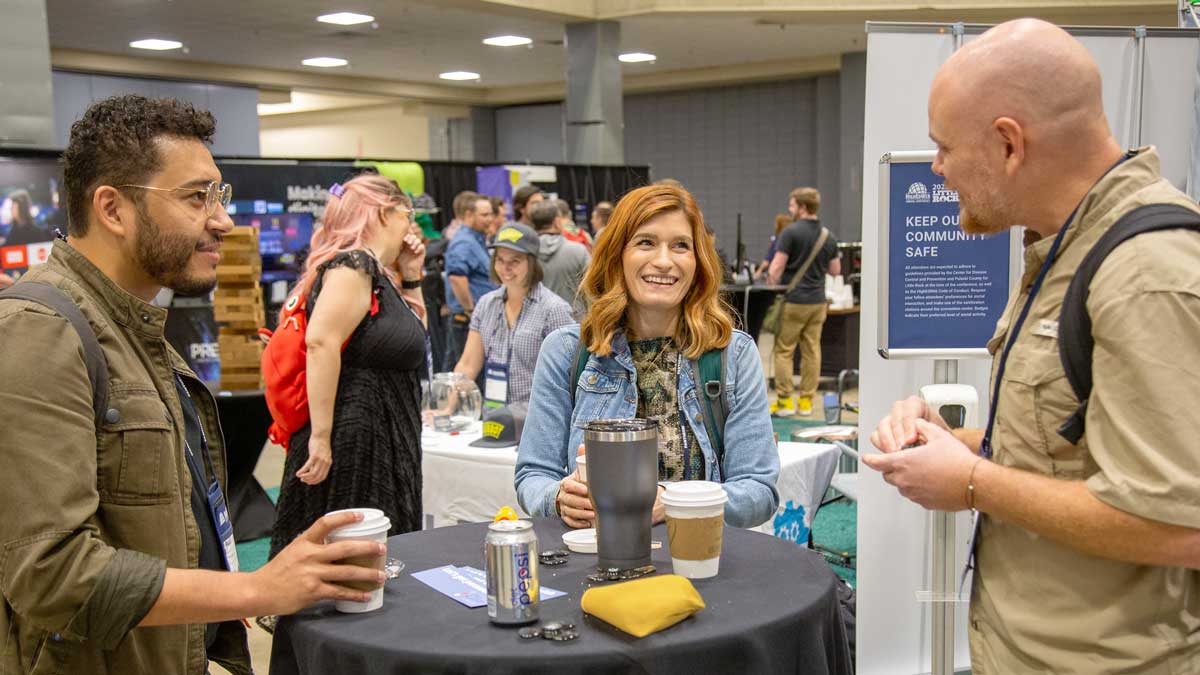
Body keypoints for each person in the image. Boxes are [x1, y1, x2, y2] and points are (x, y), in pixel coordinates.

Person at [0, 94, 386, 675]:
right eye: (195, 197)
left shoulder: (132, 325)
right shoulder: (39, 331)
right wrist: (256, 589)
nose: (223, 220)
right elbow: (52, 573)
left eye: (218, 195)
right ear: (112, 209)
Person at [865, 19, 1200, 673]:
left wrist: (971, 482)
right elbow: (1076, 448)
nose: (937, 170)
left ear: (1009, 144)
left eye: (944, 148)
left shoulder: (1145, 273)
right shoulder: (1065, 248)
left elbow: (1180, 525)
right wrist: (955, 442)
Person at [515, 184, 779, 529]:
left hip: (696, 555)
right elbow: (533, 475)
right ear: (617, 255)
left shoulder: (732, 355)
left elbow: (758, 492)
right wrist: (558, 497)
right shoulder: (566, 352)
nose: (664, 261)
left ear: (698, 262)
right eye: (646, 242)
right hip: (594, 555)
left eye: (681, 245)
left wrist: (672, 502)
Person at [270, 174, 428, 558]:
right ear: (384, 213)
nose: (410, 226)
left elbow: (414, 339)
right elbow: (321, 342)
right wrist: (321, 437)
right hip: (356, 436)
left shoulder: (375, 273)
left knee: (373, 553)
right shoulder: (354, 265)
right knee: (352, 551)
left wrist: (411, 276)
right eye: (407, 215)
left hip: (380, 431)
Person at [454, 222, 574, 408]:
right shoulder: (486, 305)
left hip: (535, 418)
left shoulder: (554, 309)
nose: (505, 268)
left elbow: (568, 376)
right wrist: (448, 408)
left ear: (532, 263)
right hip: (494, 415)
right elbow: (468, 365)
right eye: (500, 260)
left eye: (515, 261)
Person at [767, 187, 841, 417]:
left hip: (794, 300)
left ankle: (785, 402)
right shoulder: (828, 236)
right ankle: (806, 402)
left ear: (802, 207)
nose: (790, 209)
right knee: (812, 351)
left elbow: (776, 267)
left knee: (784, 351)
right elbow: (835, 270)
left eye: (792, 205)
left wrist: (771, 285)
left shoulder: (790, 233)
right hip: (818, 302)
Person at [443, 195, 497, 369]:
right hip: (466, 321)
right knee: (467, 372)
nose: (490, 219)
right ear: (468, 215)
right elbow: (456, 277)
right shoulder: (464, 242)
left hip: (473, 319)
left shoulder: (476, 239)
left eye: (491, 214)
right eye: (484, 215)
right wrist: (470, 311)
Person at [532, 200, 590, 316]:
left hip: (538, 320)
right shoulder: (578, 251)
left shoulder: (527, 255)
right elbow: (594, 285)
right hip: (573, 321)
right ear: (557, 222)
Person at [753, 213, 792, 281]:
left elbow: (767, 261)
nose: (775, 226)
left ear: (780, 225)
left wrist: (758, 272)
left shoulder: (778, 240)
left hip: (779, 278)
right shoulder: (791, 239)